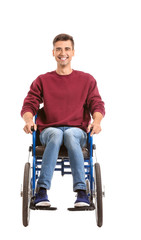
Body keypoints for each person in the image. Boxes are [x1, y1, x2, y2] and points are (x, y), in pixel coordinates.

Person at [21, 33, 105, 208]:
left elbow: (97, 104)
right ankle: (41, 190)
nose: (63, 52)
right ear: (53, 53)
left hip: (77, 131)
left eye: (67, 49)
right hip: (50, 131)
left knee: (69, 134)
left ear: (73, 52)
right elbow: (29, 104)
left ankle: (82, 192)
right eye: (58, 49)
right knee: (57, 134)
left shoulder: (86, 80)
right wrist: (29, 121)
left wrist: (96, 122)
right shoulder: (43, 80)